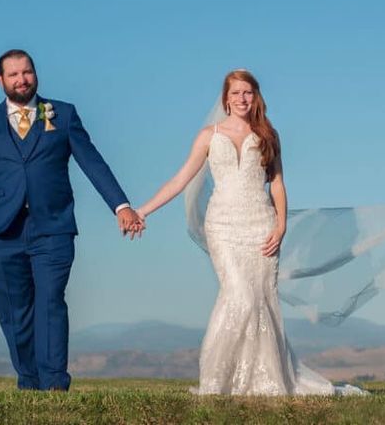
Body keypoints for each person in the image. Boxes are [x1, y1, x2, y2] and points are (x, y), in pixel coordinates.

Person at [136, 69, 366, 395]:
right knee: (239, 296)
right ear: (225, 99)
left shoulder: (268, 135)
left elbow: (278, 184)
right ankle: (215, 383)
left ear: (255, 96)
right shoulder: (208, 136)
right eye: (236, 93)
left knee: (261, 302)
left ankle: (265, 380)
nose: (242, 99)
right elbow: (179, 180)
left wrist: (281, 225)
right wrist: (142, 210)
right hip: (223, 228)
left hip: (262, 226)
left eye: (248, 92)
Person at [0, 49, 144, 391]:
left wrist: (121, 206)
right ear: (1, 80)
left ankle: (55, 385)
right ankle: (29, 380)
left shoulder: (62, 114)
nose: (22, 80)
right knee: (15, 312)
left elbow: (93, 162)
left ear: (36, 74)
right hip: (1, 233)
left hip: (54, 229)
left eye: (27, 72)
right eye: (14, 74)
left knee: (50, 301)